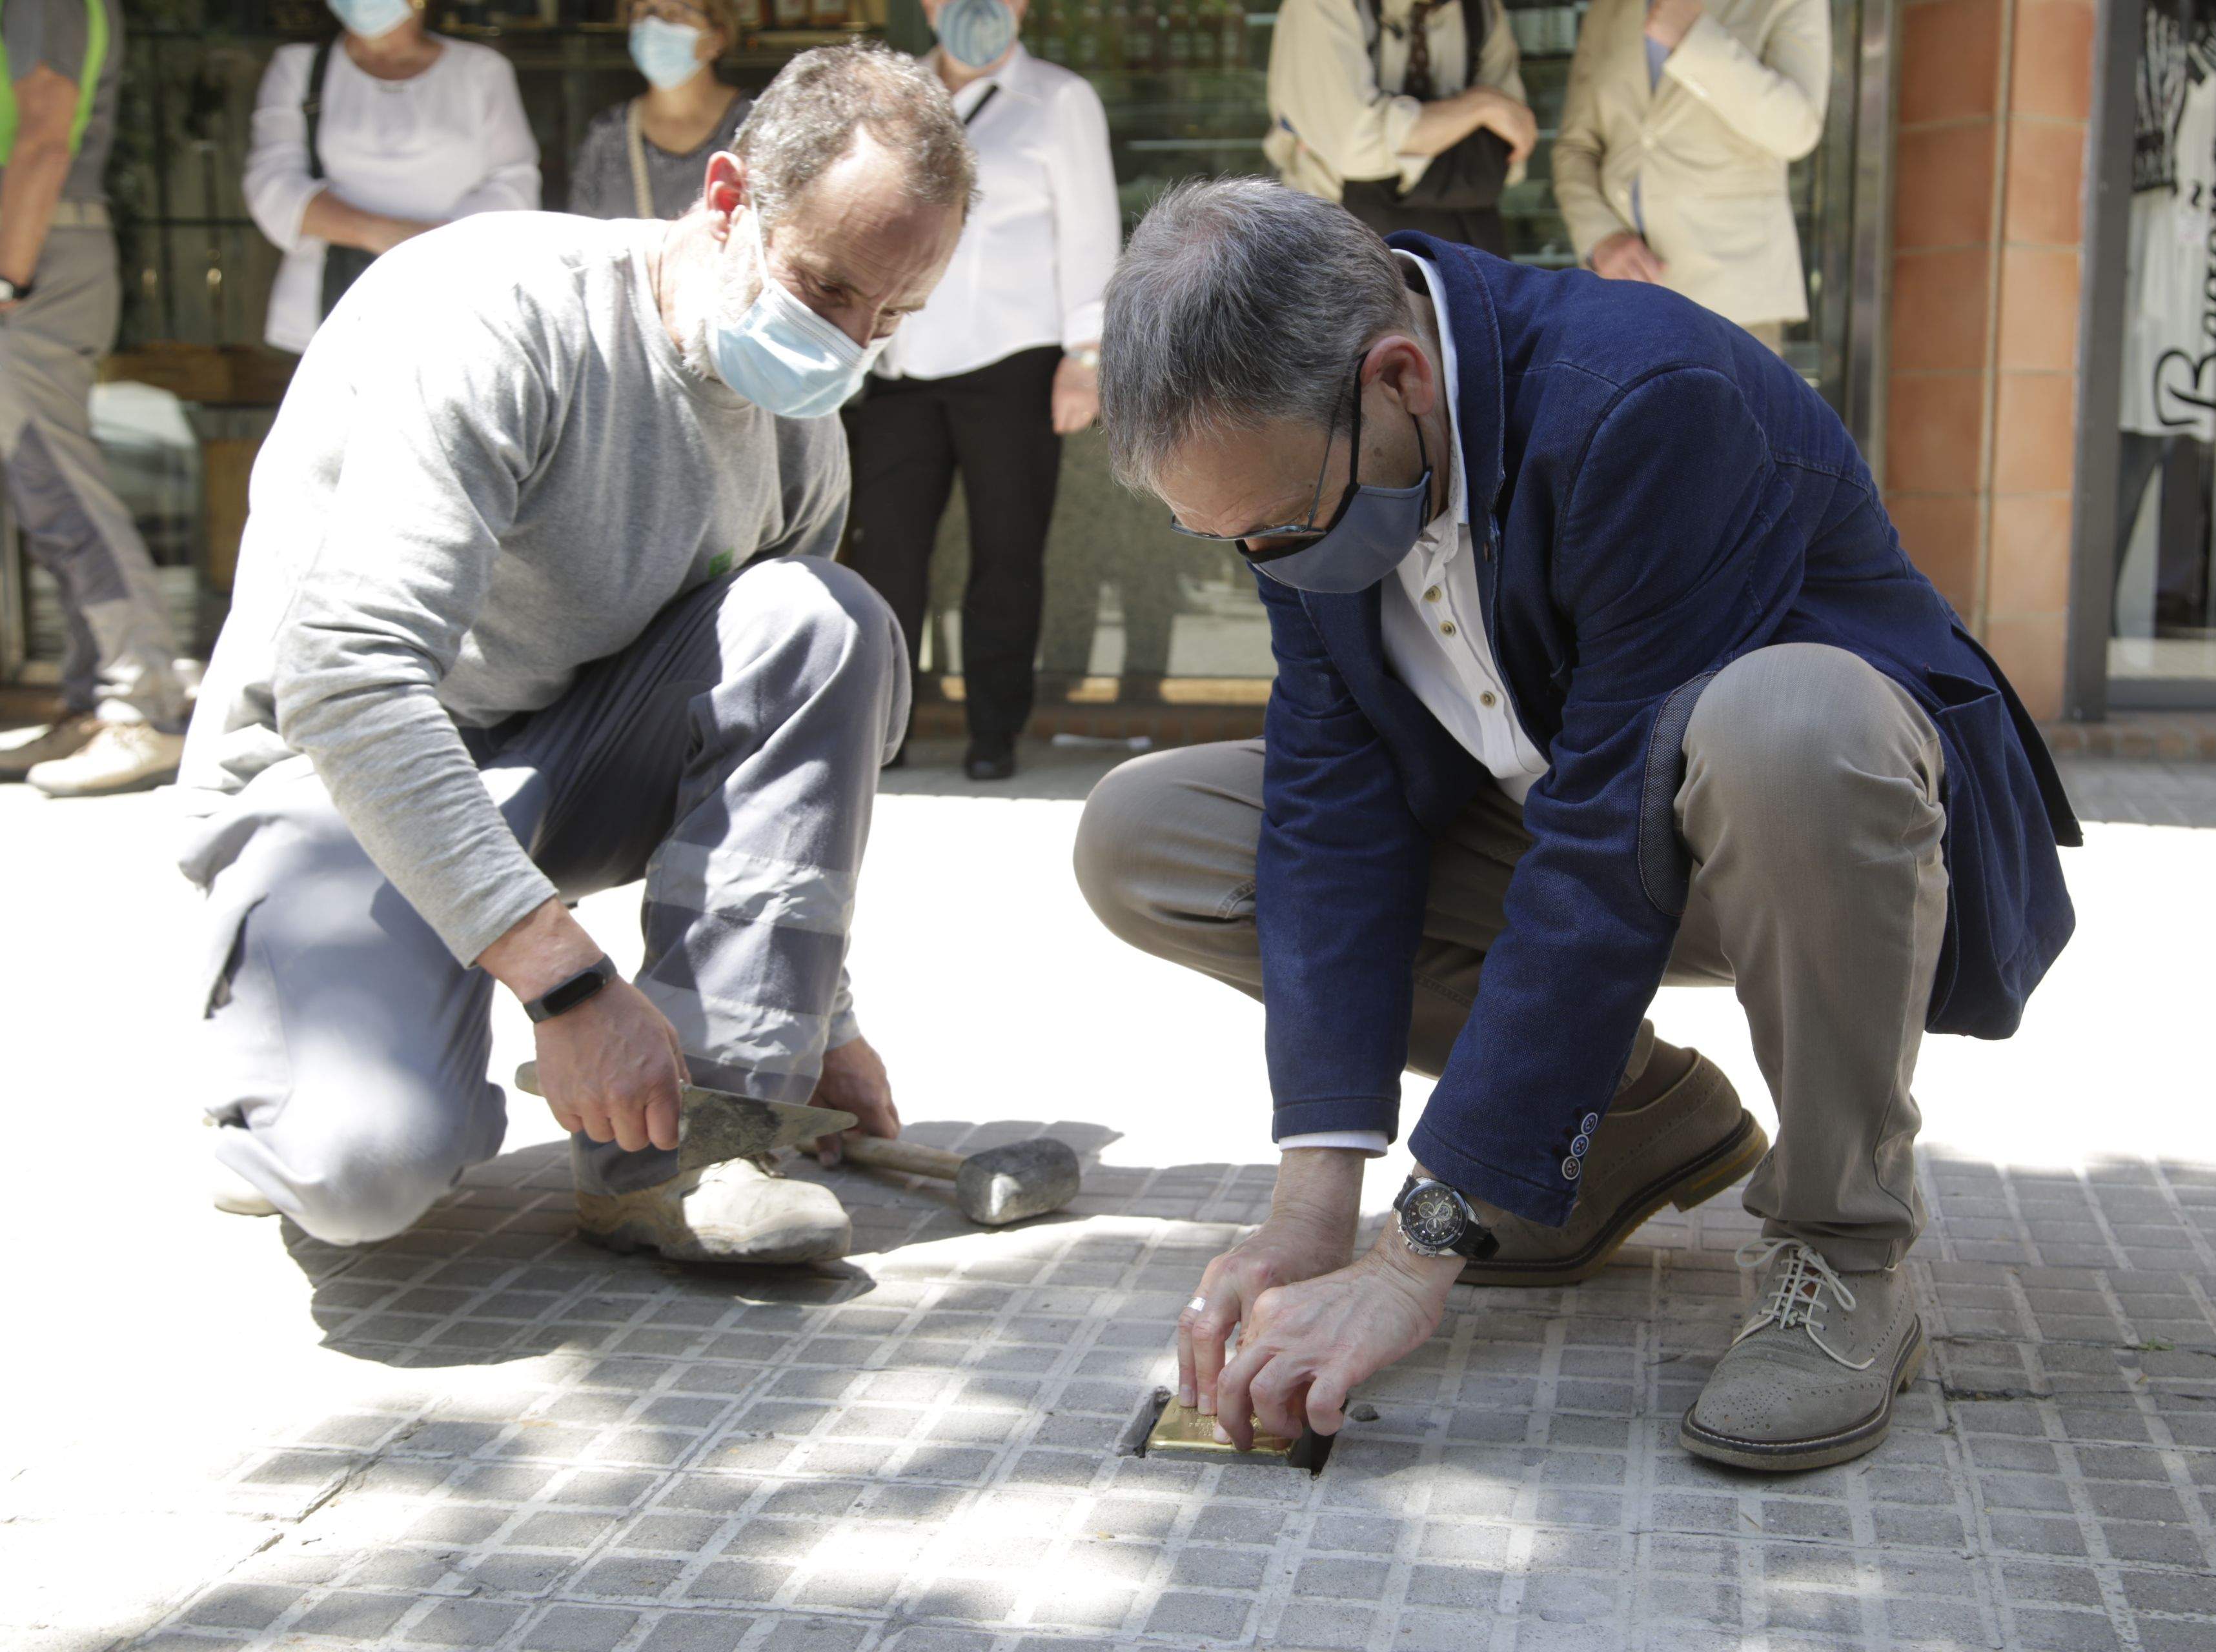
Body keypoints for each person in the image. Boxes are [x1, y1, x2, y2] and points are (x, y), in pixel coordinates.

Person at [1075, 180, 2079, 1471]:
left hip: (1803, 842)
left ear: (1399, 378)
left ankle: (1841, 1249)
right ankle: (1621, 1124)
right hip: (1567, 820)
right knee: (1150, 832)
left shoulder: (1644, 401)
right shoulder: (1312, 464)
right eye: (1235, 542)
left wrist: (1413, 1249)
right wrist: (1310, 1210)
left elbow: (1609, 845)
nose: (1271, 558)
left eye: (1280, 523)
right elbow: (1334, 804)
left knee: (1788, 719)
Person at [175, 46, 973, 1265]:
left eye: (891, 316)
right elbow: (347, 681)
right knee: (362, 1173)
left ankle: (695, 1147)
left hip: (561, 773)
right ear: (725, 200)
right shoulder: (501, 316)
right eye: (827, 289)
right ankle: (270, 1073)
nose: (850, 343)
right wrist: (569, 988)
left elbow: (782, 760)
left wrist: (822, 1028)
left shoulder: (799, 434)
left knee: (825, 620)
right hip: (339, 786)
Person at [839, 0, 1117, 781]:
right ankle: (884, 732)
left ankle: (994, 731)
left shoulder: (1059, 99)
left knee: (1006, 557)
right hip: (900, 366)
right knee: (888, 558)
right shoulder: (892, 95)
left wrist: (1085, 355)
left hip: (1014, 366)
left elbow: (1091, 229)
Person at [0, 0, 190, 798]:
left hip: (35, 260)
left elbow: (46, 135)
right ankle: (92, 702)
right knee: (44, 492)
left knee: (60, 487)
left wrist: (8, 278)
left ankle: (143, 703)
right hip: (33, 256)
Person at [243, 0, 540, 356]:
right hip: (325, 314)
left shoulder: (481, 69)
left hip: (455, 306)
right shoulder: (299, 66)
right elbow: (272, 184)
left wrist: (428, 245)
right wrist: (379, 234)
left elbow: (515, 184)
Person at [1554, 0, 1826, 352]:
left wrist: (1695, 40)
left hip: (1733, 304)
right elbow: (1576, 148)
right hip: (1620, 301)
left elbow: (1797, 129)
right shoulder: (1608, 9)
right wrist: (1599, 236)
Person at [1263, 0, 1534, 256]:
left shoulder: (1481, 9)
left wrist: (1396, 140)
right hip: (1336, 245)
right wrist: (1480, 106)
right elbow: (1354, 146)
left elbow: (1509, 151)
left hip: (1462, 246)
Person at [567, 0, 753, 222]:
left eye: (675, 13)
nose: (653, 24)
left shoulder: (756, 127)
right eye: (643, 11)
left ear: (718, 37)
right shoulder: (607, 135)